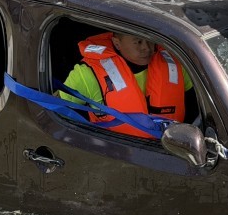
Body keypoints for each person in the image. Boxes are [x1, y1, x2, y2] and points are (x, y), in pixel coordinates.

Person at [56, 30, 196, 138]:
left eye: (150, 40)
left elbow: (194, 105)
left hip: (173, 150)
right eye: (138, 42)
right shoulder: (87, 74)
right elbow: (56, 110)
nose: (146, 48)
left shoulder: (174, 66)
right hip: (119, 154)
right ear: (117, 43)